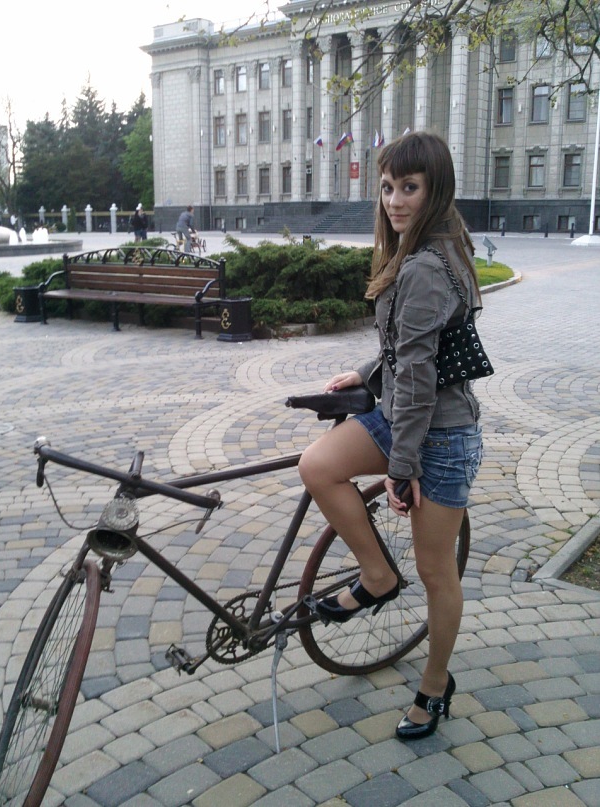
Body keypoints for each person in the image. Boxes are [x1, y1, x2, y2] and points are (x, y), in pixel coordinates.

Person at [298, 131, 484, 741]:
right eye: (386, 188)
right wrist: (368, 371)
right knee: (319, 465)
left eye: (409, 187)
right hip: (403, 413)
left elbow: (424, 375)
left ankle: (435, 684)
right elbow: (410, 348)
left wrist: (402, 469)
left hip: (442, 435)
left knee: (436, 572)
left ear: (435, 190)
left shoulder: (427, 264)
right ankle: (377, 575)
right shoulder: (426, 247)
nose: (395, 200)